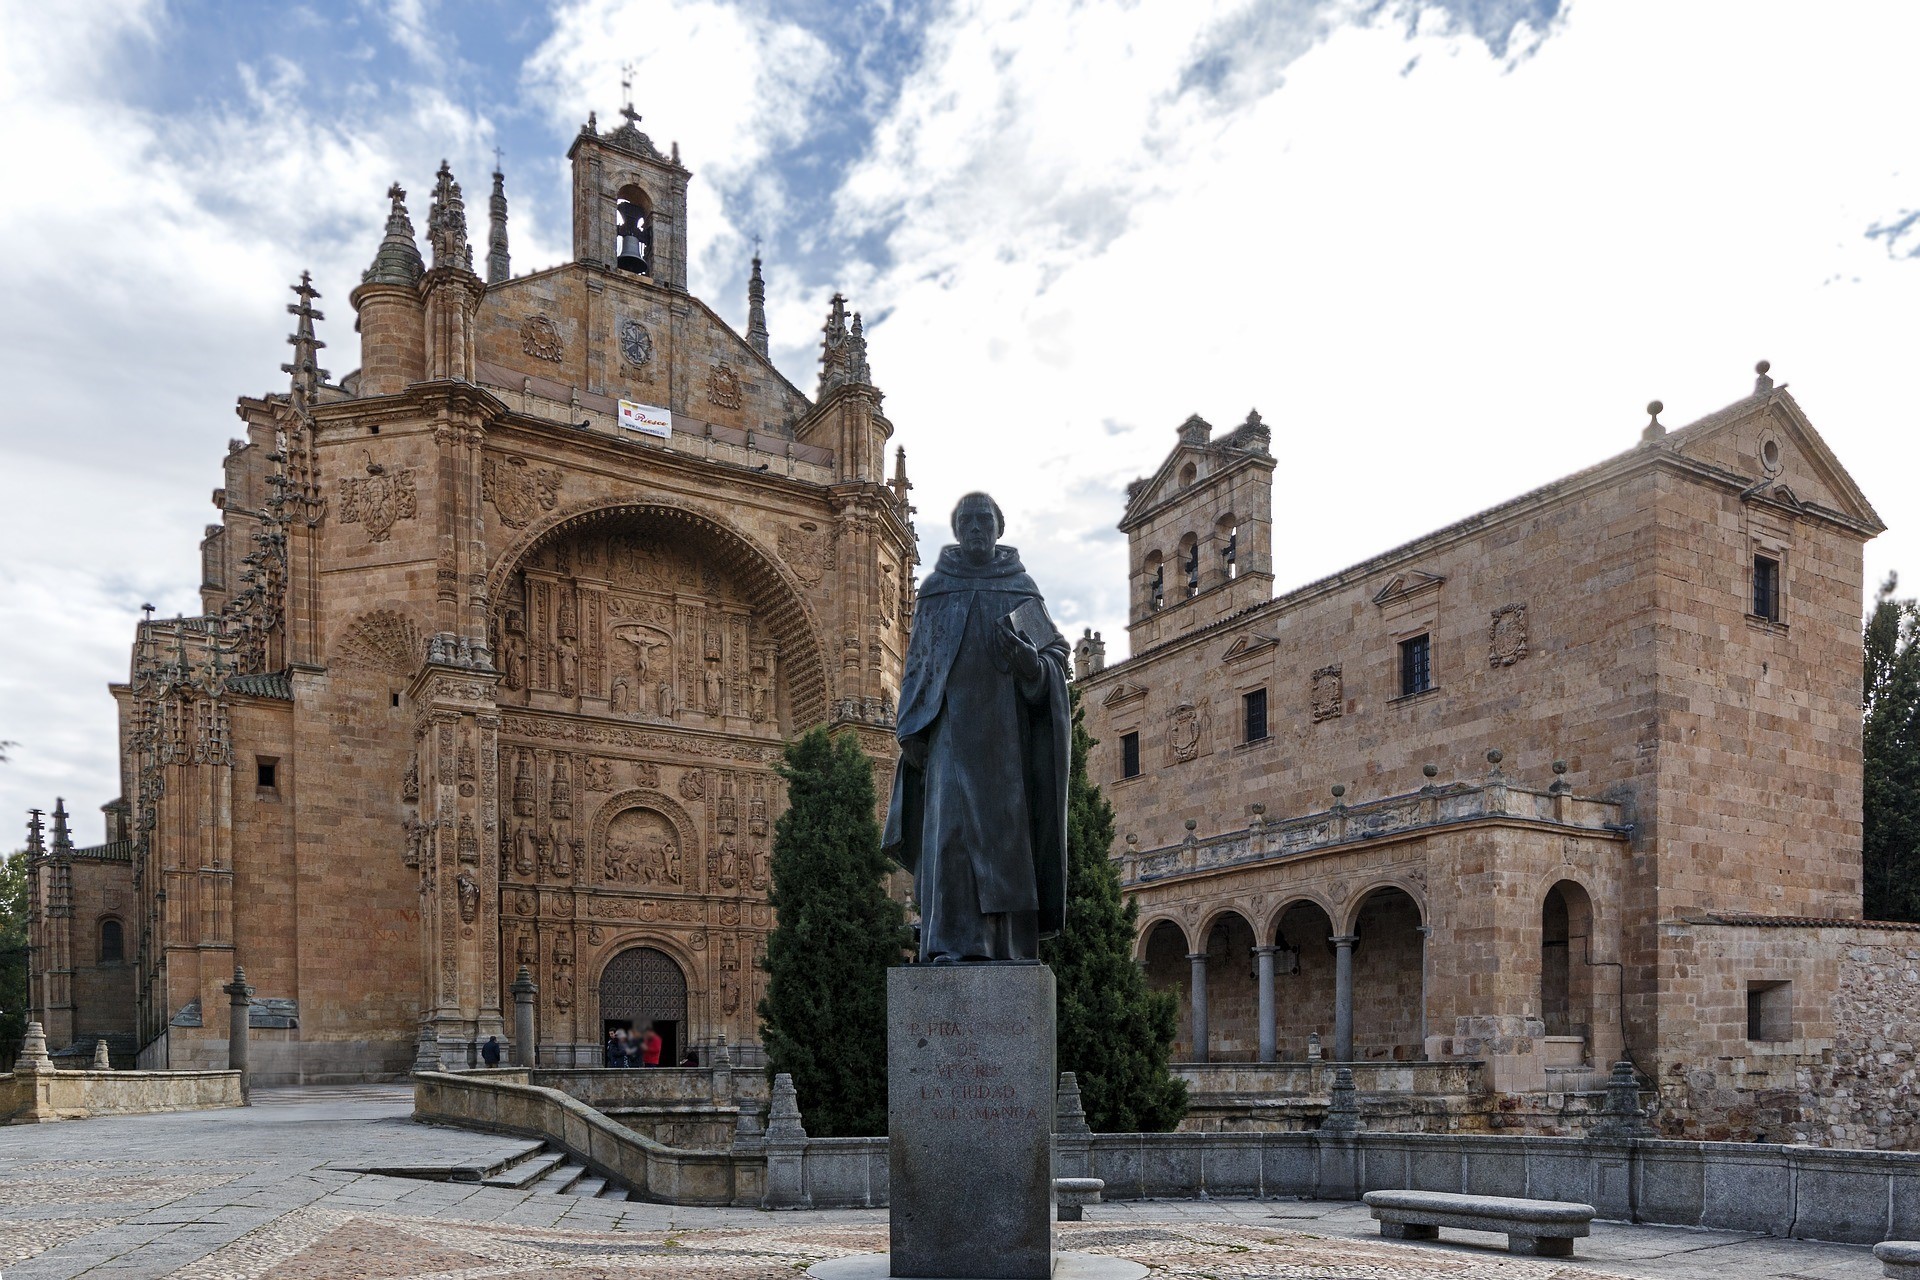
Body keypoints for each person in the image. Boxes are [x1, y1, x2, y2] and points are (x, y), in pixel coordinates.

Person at [883, 491, 1070, 962]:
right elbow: (917, 665)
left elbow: (1056, 657)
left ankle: (1006, 948)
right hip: (947, 733)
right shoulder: (937, 588)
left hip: (1006, 740)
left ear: (999, 528)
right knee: (950, 840)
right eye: (966, 521)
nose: (975, 528)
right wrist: (910, 729)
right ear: (956, 529)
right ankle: (949, 944)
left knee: (1006, 845)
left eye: (984, 520)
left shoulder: (1018, 587)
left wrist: (1031, 665)